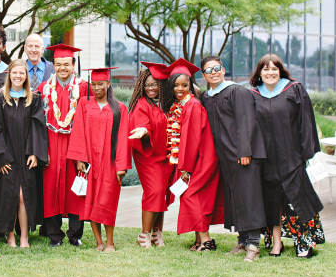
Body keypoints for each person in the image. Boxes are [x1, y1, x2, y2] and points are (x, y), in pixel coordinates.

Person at [249, 54, 324, 258]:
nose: (270, 72)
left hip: (293, 155)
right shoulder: (254, 94)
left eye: (274, 69)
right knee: (272, 199)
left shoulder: (295, 89)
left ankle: (304, 243)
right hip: (267, 158)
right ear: (260, 73)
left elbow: (306, 121)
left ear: (280, 71)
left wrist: (305, 152)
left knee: (299, 198)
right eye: (266, 69)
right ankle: (276, 242)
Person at [200, 55, 266, 262]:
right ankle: (242, 240)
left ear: (223, 69)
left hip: (241, 155)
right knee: (234, 198)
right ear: (203, 75)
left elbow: (247, 122)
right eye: (209, 70)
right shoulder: (207, 96)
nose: (214, 72)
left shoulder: (237, 91)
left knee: (249, 197)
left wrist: (244, 151)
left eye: (217, 68)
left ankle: (254, 244)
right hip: (224, 158)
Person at [0, 59, 48, 248]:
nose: (18, 76)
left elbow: (37, 127)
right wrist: (1, 157)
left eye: (22, 73)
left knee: (22, 196)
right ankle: (10, 235)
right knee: (10, 195)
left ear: (26, 76)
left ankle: (24, 237)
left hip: (26, 156)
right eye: (14, 73)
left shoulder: (33, 99)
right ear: (9, 75)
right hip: (7, 155)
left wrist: (35, 153)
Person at [162, 59, 223, 253]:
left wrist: (185, 168)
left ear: (191, 86)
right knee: (194, 197)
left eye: (184, 85)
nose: (180, 89)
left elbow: (191, 140)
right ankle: (199, 240)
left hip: (201, 160)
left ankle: (206, 241)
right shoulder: (183, 105)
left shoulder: (193, 106)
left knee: (192, 196)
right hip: (196, 159)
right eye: (176, 85)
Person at [67, 68, 131, 252]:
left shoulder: (119, 108)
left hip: (110, 164)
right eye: (93, 84)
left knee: (107, 201)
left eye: (100, 84)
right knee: (92, 201)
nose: (96, 88)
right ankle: (99, 242)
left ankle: (110, 242)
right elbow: (78, 130)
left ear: (108, 84)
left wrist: (121, 165)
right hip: (90, 164)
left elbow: (123, 137)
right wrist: (79, 159)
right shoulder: (84, 105)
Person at [38, 43, 88, 247]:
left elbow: (88, 123)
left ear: (73, 65)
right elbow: (39, 123)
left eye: (66, 64)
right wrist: (43, 151)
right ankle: (54, 235)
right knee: (51, 190)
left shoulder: (83, 88)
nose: (62, 68)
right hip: (51, 146)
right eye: (58, 64)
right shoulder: (44, 89)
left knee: (76, 191)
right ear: (54, 65)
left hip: (75, 147)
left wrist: (82, 155)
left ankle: (75, 235)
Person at [128, 61, 173, 248]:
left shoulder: (165, 104)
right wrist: (144, 132)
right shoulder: (141, 104)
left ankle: (157, 233)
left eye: (154, 84)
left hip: (165, 156)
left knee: (162, 192)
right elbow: (143, 125)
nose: (150, 88)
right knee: (154, 191)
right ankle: (144, 234)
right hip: (149, 156)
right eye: (147, 85)